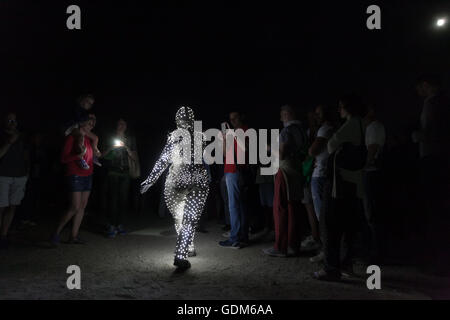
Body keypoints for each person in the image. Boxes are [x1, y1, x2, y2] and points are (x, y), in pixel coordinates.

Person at [140, 106, 210, 270]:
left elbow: (164, 159)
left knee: (183, 219)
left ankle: (182, 252)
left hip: (178, 181)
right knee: (187, 219)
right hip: (195, 181)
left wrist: (150, 180)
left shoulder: (175, 136)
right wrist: (150, 180)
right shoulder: (199, 136)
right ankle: (185, 249)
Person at [313, 94, 365, 280]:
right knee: (348, 226)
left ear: (348, 108)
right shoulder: (363, 124)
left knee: (331, 224)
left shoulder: (352, 124)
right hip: (353, 182)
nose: (339, 110)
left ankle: (331, 268)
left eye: (341, 106)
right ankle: (345, 264)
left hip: (339, 183)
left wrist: (337, 144)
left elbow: (331, 145)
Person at [413, 74, 450, 275]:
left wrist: (418, 136)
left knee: (434, 209)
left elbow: (432, 132)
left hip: (433, 159)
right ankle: (437, 258)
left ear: (425, 84)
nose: (418, 93)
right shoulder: (440, 102)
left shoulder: (434, 103)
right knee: (437, 209)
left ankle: (436, 260)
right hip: (438, 159)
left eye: (419, 88)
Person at [263, 104, 307, 257]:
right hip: (297, 170)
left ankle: (280, 246)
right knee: (294, 208)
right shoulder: (301, 130)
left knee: (280, 208)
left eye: (282, 114)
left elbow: (281, 154)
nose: (280, 117)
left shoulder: (287, 131)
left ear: (288, 114)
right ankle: (293, 245)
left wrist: (268, 148)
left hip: (285, 171)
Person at [51, 116, 95, 245]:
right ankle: (56, 233)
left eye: (93, 125)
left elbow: (91, 158)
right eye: (89, 124)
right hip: (75, 175)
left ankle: (73, 236)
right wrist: (77, 156)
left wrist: (96, 156)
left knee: (82, 206)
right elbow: (64, 159)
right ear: (81, 125)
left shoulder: (88, 139)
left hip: (88, 175)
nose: (91, 127)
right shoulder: (72, 138)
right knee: (74, 206)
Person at [101, 118, 139, 238]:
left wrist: (127, 148)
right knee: (113, 199)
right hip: (113, 172)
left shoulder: (130, 139)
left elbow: (135, 157)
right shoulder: (110, 138)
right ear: (116, 125)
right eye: (119, 124)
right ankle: (111, 225)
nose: (121, 126)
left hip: (125, 173)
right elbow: (102, 155)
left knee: (123, 199)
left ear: (126, 126)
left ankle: (119, 224)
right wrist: (112, 148)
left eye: (123, 124)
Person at [219, 111, 250, 249]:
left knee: (234, 206)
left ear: (241, 117)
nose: (233, 120)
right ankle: (242, 237)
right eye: (231, 119)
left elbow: (246, 149)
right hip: (231, 170)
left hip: (236, 170)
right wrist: (225, 139)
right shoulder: (234, 133)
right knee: (240, 205)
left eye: (235, 118)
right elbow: (225, 153)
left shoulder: (245, 131)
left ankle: (235, 238)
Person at [308, 104, 335, 263]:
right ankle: (327, 249)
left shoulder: (325, 129)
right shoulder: (332, 128)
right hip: (326, 173)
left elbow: (312, 151)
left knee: (322, 216)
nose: (316, 116)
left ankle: (326, 251)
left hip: (320, 175)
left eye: (318, 113)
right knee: (325, 215)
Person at [0, 112, 29, 249]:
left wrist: (27, 172)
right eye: (9, 120)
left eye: (14, 120)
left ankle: (4, 235)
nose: (12, 122)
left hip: (20, 176)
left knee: (13, 206)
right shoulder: (2, 135)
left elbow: (26, 154)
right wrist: (9, 142)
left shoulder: (22, 136)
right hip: (3, 175)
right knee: (1, 206)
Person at [362, 104, 386, 264]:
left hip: (371, 173)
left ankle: (377, 253)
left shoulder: (374, 126)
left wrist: (361, 166)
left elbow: (372, 148)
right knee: (371, 213)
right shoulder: (372, 127)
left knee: (372, 213)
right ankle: (375, 250)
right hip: (371, 172)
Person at [64, 94, 101, 168]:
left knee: (95, 138)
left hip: (79, 127)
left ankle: (94, 156)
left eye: (91, 104)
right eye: (88, 102)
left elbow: (84, 121)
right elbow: (78, 120)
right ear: (83, 100)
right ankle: (80, 158)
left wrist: (91, 118)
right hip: (70, 127)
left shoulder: (84, 112)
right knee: (81, 137)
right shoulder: (76, 108)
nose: (89, 104)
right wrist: (88, 117)